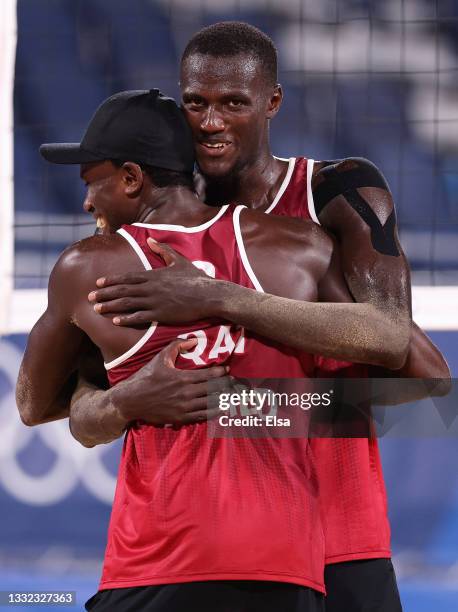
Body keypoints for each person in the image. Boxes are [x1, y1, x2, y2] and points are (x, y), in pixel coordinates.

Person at [17, 23, 450, 611]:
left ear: (271, 103)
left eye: (232, 103)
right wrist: (120, 402)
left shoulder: (332, 194)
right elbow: (70, 400)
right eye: (195, 102)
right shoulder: (144, 227)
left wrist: (224, 306)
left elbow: (403, 349)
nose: (210, 121)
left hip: (340, 529)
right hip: (217, 540)